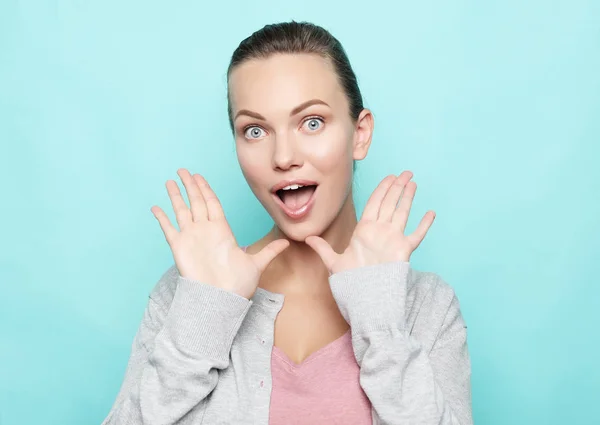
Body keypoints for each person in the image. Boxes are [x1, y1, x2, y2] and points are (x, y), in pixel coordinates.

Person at [101, 21, 472, 425]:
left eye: (312, 122)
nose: (283, 157)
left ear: (360, 134)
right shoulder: (188, 292)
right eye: (254, 130)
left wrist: (380, 324)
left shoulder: (426, 306)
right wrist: (206, 313)